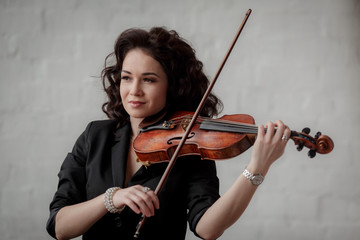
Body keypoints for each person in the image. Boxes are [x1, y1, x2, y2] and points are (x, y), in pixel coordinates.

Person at [46, 27, 291, 240]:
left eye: (149, 80)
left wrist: (257, 167)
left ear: (172, 87)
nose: (134, 90)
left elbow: (208, 229)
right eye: (127, 78)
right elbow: (60, 227)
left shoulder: (188, 146)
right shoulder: (95, 136)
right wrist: (112, 198)